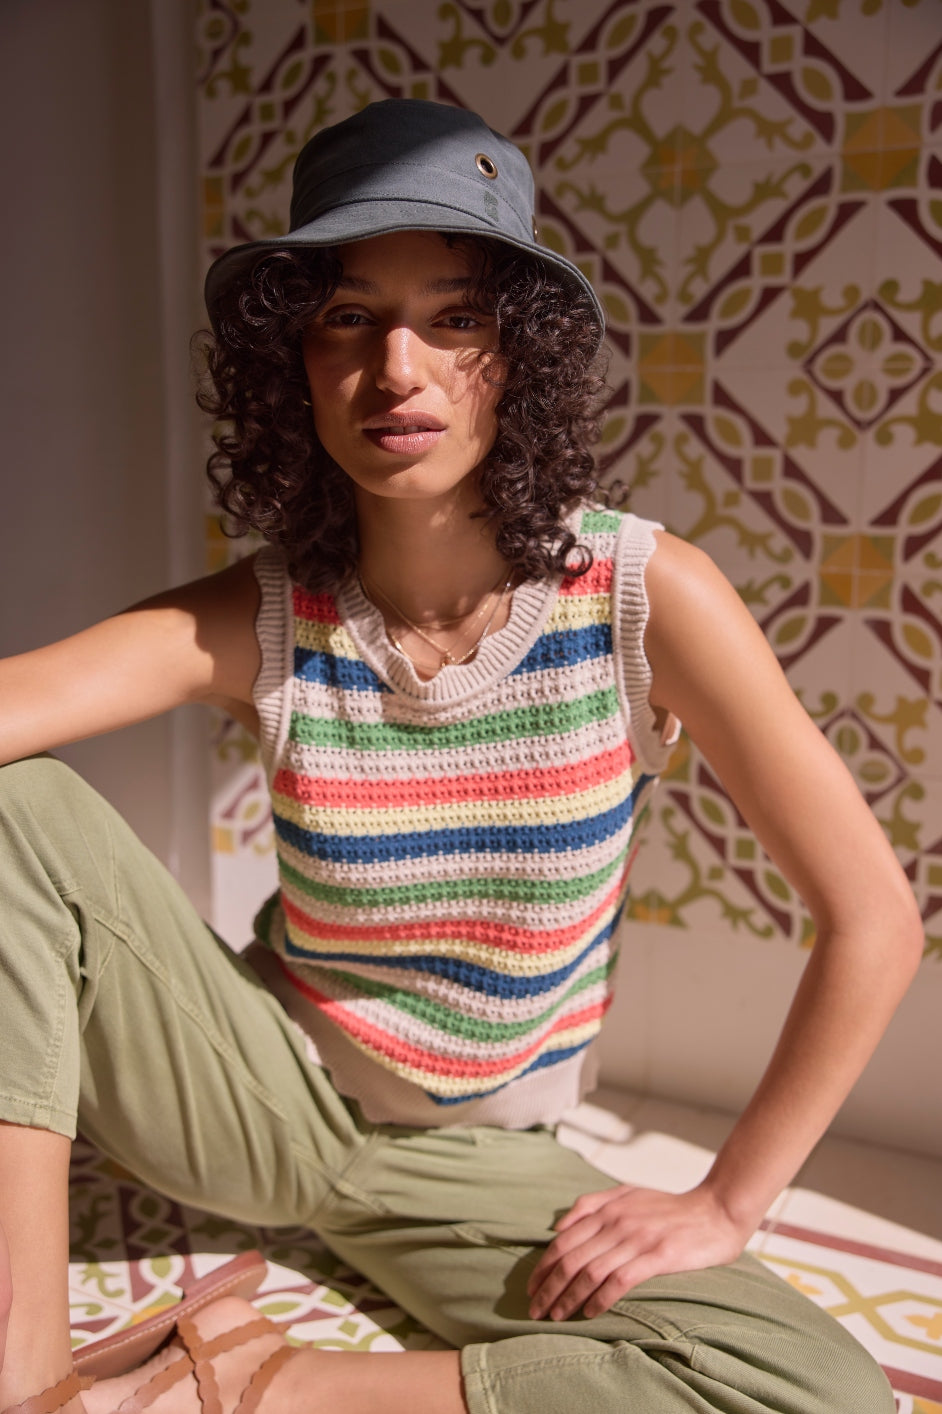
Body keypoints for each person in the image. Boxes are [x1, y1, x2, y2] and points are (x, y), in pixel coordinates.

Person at [0, 99, 923, 1414]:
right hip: (253, 1093)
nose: (398, 368)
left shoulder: (642, 596)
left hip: (478, 1160)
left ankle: (255, 1382)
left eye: (455, 318)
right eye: (347, 317)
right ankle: (27, 1378)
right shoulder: (267, 612)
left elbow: (873, 918)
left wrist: (726, 1200)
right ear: (295, 359)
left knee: (811, 1389)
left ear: (519, 357)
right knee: (16, 806)